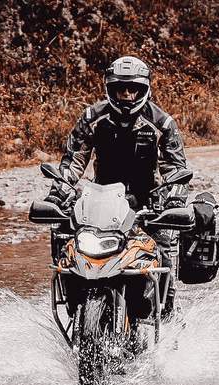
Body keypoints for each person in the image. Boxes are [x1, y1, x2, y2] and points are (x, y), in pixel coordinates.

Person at [43, 55, 191, 318]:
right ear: (109, 88)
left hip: (148, 204)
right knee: (66, 237)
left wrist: (173, 201)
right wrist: (58, 193)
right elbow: (73, 162)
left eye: (132, 88)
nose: (126, 95)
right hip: (102, 202)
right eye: (120, 88)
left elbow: (176, 169)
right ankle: (74, 304)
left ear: (143, 89)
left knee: (164, 252)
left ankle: (165, 319)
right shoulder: (92, 118)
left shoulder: (162, 124)